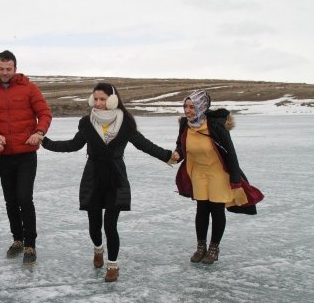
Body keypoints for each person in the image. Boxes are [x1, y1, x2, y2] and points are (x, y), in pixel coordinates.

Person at [38, 83, 177, 282]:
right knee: (94, 224)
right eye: (95, 99)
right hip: (93, 177)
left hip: (115, 177)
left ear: (112, 99)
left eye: (103, 99)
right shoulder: (87, 123)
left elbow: (143, 144)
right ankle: (98, 249)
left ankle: (113, 265)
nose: (98, 103)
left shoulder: (125, 123)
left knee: (110, 225)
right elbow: (73, 145)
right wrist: (46, 142)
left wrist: (167, 156)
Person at [174, 89, 264, 264]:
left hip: (218, 173)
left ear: (201, 107)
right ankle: (201, 247)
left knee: (216, 210)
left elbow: (230, 153)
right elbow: (181, 144)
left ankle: (214, 247)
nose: (187, 110)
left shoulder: (215, 126)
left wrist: (236, 180)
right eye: (185, 106)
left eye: (192, 107)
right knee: (201, 209)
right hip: (198, 173)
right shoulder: (185, 124)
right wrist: (177, 153)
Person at [0, 50, 52, 265]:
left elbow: (45, 113)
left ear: (15, 68)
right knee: (10, 200)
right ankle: (17, 240)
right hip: (5, 155)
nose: (5, 72)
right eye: (1, 69)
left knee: (24, 198)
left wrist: (39, 132)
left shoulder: (29, 88)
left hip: (26, 154)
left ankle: (30, 244)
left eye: (8, 69)